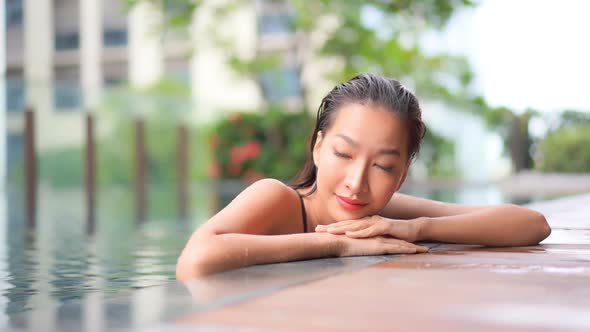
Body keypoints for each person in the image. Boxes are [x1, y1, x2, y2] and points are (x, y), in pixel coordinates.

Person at [176, 73, 551, 280]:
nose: (357, 182)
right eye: (343, 153)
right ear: (318, 147)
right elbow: (194, 260)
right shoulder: (276, 198)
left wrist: (417, 228)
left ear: (402, 175)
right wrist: (336, 246)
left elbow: (532, 224)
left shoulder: (383, 217)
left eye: (384, 166)